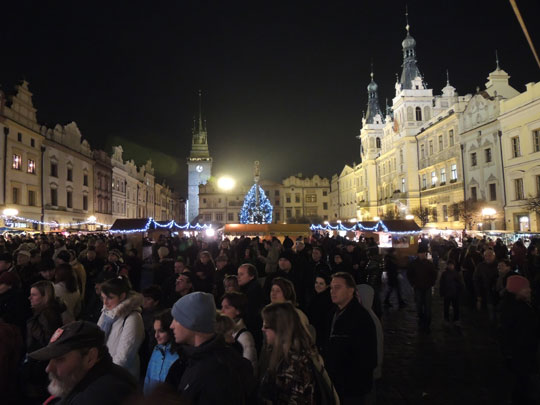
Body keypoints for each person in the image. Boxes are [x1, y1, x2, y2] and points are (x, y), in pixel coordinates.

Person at [167, 291, 256, 404]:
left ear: (193, 322)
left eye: (177, 319)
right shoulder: (190, 359)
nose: (171, 325)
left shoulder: (220, 372)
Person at [28, 320, 137, 404]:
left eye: (59, 359)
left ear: (90, 358)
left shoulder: (98, 396)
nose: (49, 368)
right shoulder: (102, 378)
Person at [325, 272, 377, 404]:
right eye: (331, 288)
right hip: (336, 383)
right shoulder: (333, 313)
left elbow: (367, 358)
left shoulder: (360, 318)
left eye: (338, 287)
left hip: (352, 387)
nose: (332, 291)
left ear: (350, 290)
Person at [258, 302, 317, 404]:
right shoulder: (285, 355)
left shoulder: (294, 362)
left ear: (279, 328)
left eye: (266, 325)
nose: (262, 329)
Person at [499, 275, 540, 404]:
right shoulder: (517, 308)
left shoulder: (516, 304)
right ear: (518, 291)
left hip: (521, 349)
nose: (529, 290)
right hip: (521, 350)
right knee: (521, 379)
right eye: (526, 288)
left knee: (521, 378)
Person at [97, 277, 145, 378]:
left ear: (122, 296)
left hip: (121, 375)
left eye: (110, 298)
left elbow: (124, 356)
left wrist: (106, 374)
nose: (105, 303)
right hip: (103, 369)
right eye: (103, 298)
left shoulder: (133, 318)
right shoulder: (107, 313)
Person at [143, 309, 179, 396]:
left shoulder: (180, 355)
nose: (156, 336)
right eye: (155, 331)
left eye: (161, 331)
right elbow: (148, 377)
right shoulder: (157, 349)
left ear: (171, 329)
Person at [221, 291, 258, 370]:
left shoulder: (244, 337)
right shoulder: (223, 331)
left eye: (227, 307)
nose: (222, 311)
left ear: (238, 311)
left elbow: (250, 367)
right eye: (222, 307)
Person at [407, 246, 438, 332]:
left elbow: (434, 274)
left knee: (428, 307)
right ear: (418, 254)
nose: (423, 255)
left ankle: (427, 324)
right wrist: (413, 283)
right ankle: (421, 320)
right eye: (421, 253)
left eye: (424, 253)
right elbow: (409, 274)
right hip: (418, 287)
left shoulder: (429, 264)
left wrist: (432, 283)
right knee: (419, 306)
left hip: (427, 287)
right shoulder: (413, 264)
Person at [237, 263, 264, 350]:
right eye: (238, 274)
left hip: (252, 331)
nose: (238, 277)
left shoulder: (253, 291)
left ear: (251, 276)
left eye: (241, 274)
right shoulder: (247, 289)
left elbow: (250, 314)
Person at [307, 273, 333, 354]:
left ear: (327, 285)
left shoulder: (326, 300)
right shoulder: (315, 296)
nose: (317, 285)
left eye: (321, 283)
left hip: (320, 336)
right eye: (316, 283)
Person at [439, 261, 463, 325]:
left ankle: (456, 319)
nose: (450, 266)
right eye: (449, 265)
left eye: (452, 265)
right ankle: (446, 318)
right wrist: (441, 292)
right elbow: (441, 284)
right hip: (447, 293)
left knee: (456, 307)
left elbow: (460, 283)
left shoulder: (456, 273)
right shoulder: (444, 274)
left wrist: (460, 291)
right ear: (447, 265)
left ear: (454, 266)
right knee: (446, 307)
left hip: (455, 293)